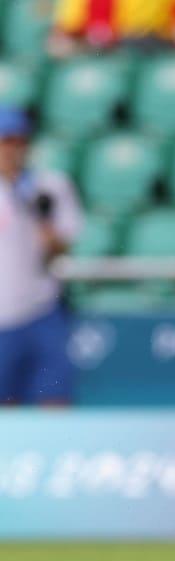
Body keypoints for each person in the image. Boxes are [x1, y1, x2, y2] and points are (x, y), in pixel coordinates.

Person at [0, 107, 84, 405]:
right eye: (6, 141)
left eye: (19, 141)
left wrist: (39, 214)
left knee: (55, 399)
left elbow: (59, 249)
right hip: (2, 316)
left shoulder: (50, 186)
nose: (13, 149)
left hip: (42, 310)